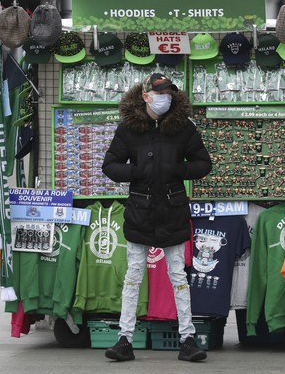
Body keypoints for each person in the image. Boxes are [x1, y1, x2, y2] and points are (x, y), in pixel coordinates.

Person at [102, 73, 212, 362]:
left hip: (173, 209)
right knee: (133, 276)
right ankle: (124, 339)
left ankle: (187, 339)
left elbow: (203, 163)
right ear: (146, 95)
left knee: (178, 276)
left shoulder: (183, 128)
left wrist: (179, 170)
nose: (165, 98)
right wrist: (136, 173)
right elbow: (110, 165)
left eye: (169, 93)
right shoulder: (129, 128)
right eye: (160, 92)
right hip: (140, 210)